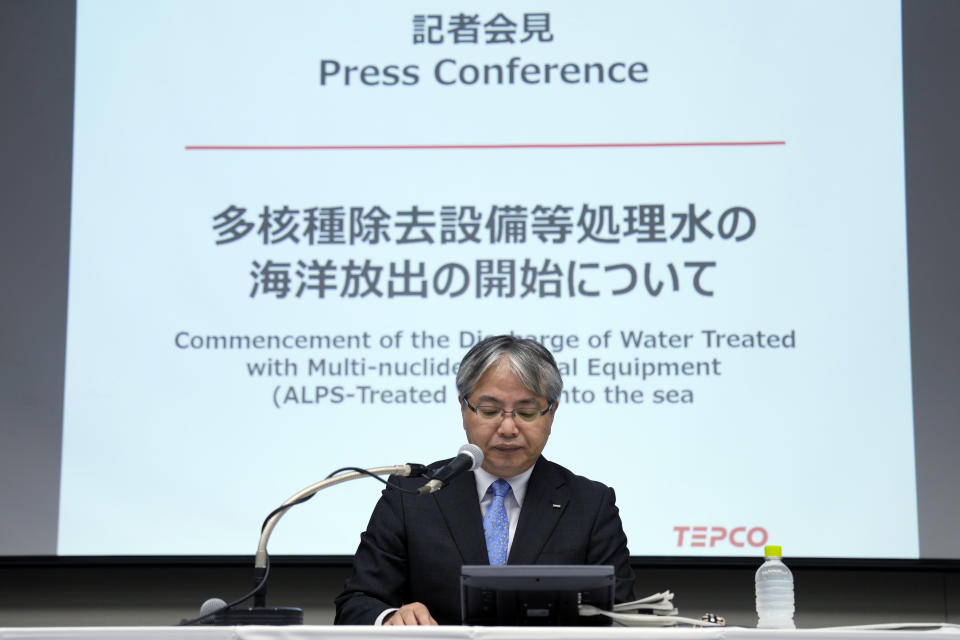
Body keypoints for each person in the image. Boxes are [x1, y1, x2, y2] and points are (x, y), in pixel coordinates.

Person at [334, 335, 635, 625]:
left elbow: (622, 617)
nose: (507, 427)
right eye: (490, 411)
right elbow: (357, 603)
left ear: (551, 413)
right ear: (464, 409)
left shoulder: (591, 505)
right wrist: (390, 618)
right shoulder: (412, 495)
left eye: (527, 412)